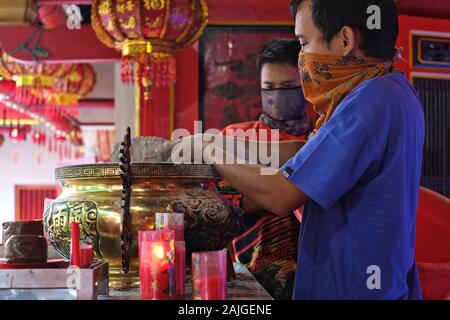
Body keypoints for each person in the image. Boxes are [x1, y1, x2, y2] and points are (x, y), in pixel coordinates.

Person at [174, 0, 425, 299]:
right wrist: (213, 142)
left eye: (305, 43)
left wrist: (209, 151)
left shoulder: (367, 103)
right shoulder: (392, 87)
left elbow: (282, 194)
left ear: (345, 39)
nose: (303, 56)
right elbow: (306, 154)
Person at [219, 39, 309, 300]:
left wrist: (254, 183)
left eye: (288, 88)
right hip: (245, 276)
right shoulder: (234, 137)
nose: (278, 97)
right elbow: (224, 207)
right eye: (269, 88)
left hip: (311, 274)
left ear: (306, 84)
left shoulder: (321, 139)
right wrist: (288, 186)